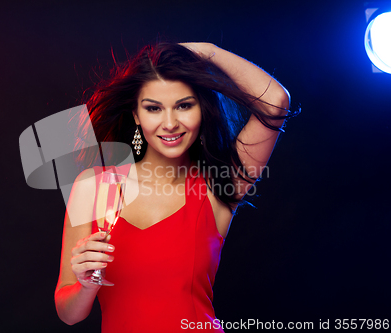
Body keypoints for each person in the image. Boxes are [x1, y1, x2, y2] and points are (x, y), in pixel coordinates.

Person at [54, 42, 294, 332]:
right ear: (136, 115)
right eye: (154, 108)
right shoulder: (92, 187)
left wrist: (203, 50)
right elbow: (69, 314)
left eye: (184, 105)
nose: (170, 123)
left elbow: (276, 101)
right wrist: (85, 284)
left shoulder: (218, 184)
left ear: (201, 109)